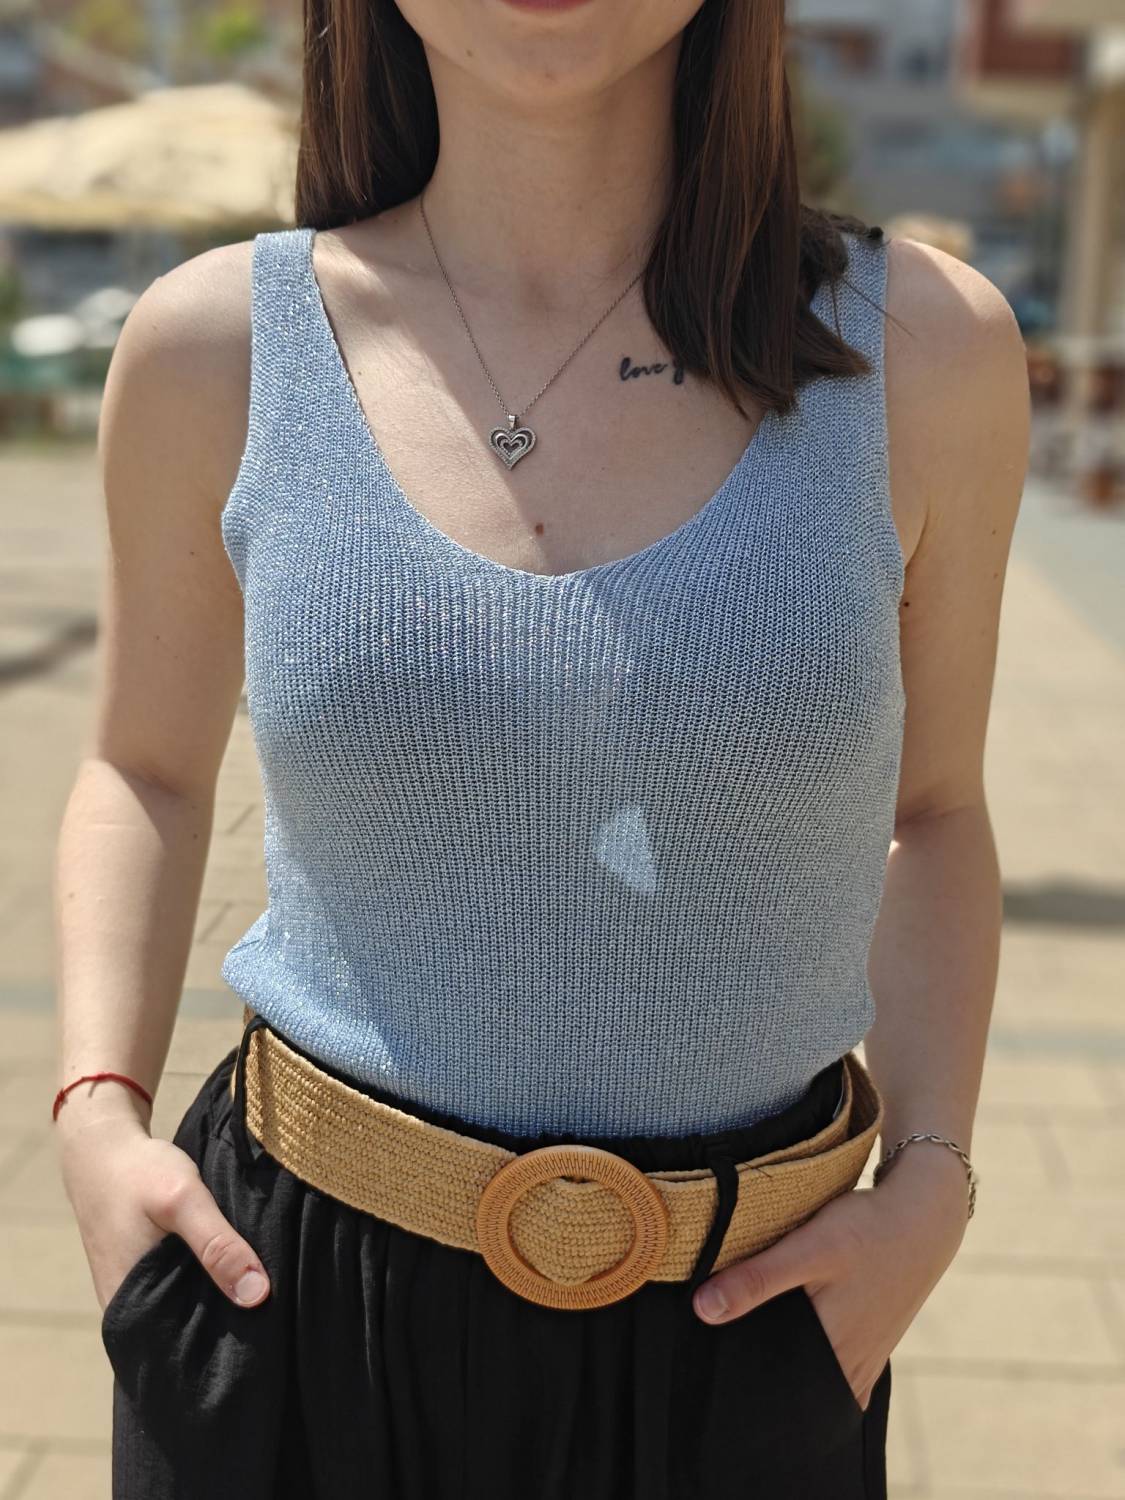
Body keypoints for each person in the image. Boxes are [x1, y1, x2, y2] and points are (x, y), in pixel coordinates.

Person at [51, 0, 1029, 1495]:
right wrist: (96, 1118)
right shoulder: (217, 348)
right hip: (289, 1314)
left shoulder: (921, 350)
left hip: (752, 1329)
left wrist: (933, 1181)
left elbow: (939, 810)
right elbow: (144, 768)